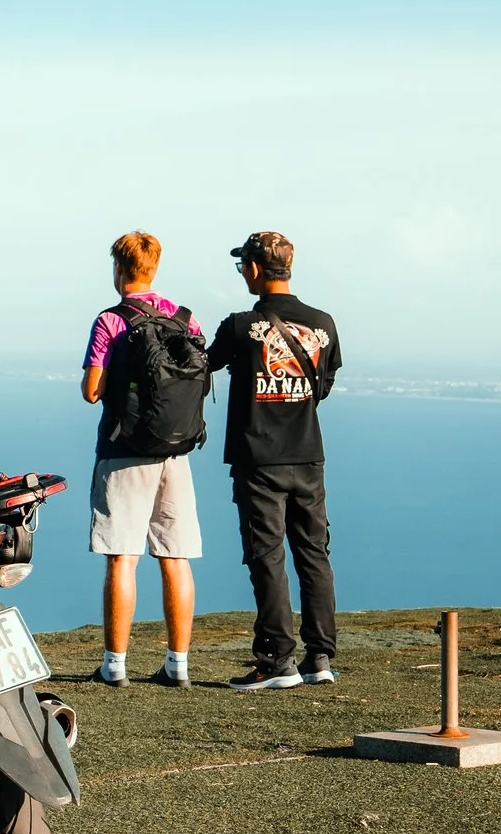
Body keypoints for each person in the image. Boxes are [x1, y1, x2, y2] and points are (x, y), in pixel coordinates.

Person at [205, 230, 342, 690]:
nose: (242, 273)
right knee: (314, 554)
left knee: (266, 557)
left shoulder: (240, 326)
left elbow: (201, 366)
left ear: (255, 269)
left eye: (242, 265)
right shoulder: (324, 324)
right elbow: (324, 385)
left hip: (258, 459)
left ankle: (277, 660)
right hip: (308, 455)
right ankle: (319, 657)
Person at [80, 230, 209, 687]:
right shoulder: (185, 319)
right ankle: (178, 665)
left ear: (119, 268)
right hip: (176, 452)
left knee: (122, 558)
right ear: (154, 268)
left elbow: (91, 391)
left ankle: (115, 665)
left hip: (124, 452)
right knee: (176, 558)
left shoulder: (111, 321)